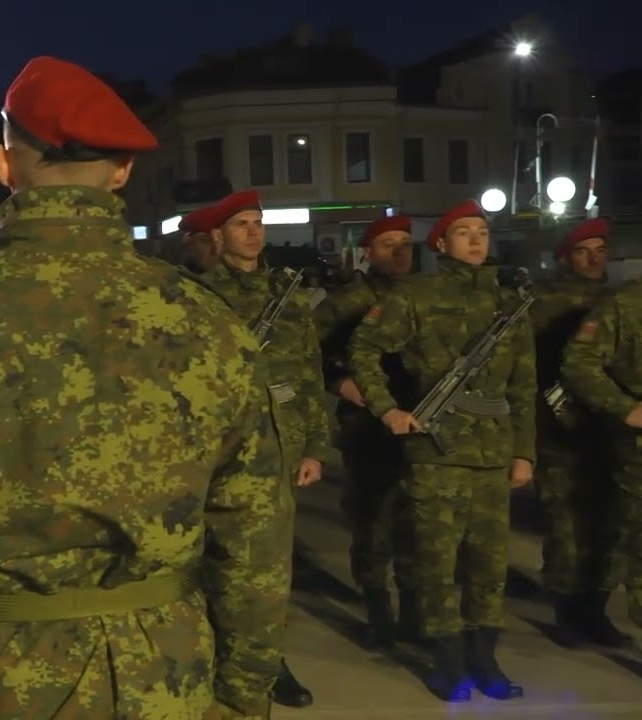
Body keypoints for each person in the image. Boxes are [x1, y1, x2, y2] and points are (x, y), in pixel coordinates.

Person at [0, 55, 287, 720]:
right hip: (170, 670)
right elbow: (256, 533)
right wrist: (245, 691)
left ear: (4, 165)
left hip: (1, 679)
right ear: (122, 172)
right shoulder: (207, 323)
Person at [348, 199, 534, 702]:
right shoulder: (415, 297)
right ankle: (448, 661)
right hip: (435, 449)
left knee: (490, 564)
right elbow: (363, 350)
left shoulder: (508, 304)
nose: (476, 239)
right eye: (463, 232)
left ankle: (485, 659)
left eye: (482, 231)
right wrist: (387, 409)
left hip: (493, 452)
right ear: (441, 243)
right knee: (435, 560)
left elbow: (523, 387)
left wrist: (524, 453)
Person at [181, 189, 332, 709]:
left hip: (279, 452)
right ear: (217, 237)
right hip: (215, 453)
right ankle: (210, 658)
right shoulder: (196, 297)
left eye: (258, 223)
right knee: (207, 564)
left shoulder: (287, 297)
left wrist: (314, 446)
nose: (253, 232)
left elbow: (309, 377)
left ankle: (267, 664)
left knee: (268, 573)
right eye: (242, 223)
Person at [313, 215, 417, 648]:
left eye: (405, 244)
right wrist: (339, 384)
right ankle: (379, 614)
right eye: (387, 244)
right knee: (371, 526)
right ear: (368, 252)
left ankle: (416, 617)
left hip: (420, 424)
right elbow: (305, 355)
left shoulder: (426, 296)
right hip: (366, 431)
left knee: (416, 529)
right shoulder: (344, 302)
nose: (398, 252)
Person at [559, 218, 642, 641]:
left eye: (600, 249)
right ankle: (579, 609)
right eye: (582, 250)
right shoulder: (625, 305)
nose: (593, 259)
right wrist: (625, 409)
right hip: (625, 446)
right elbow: (578, 362)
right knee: (614, 535)